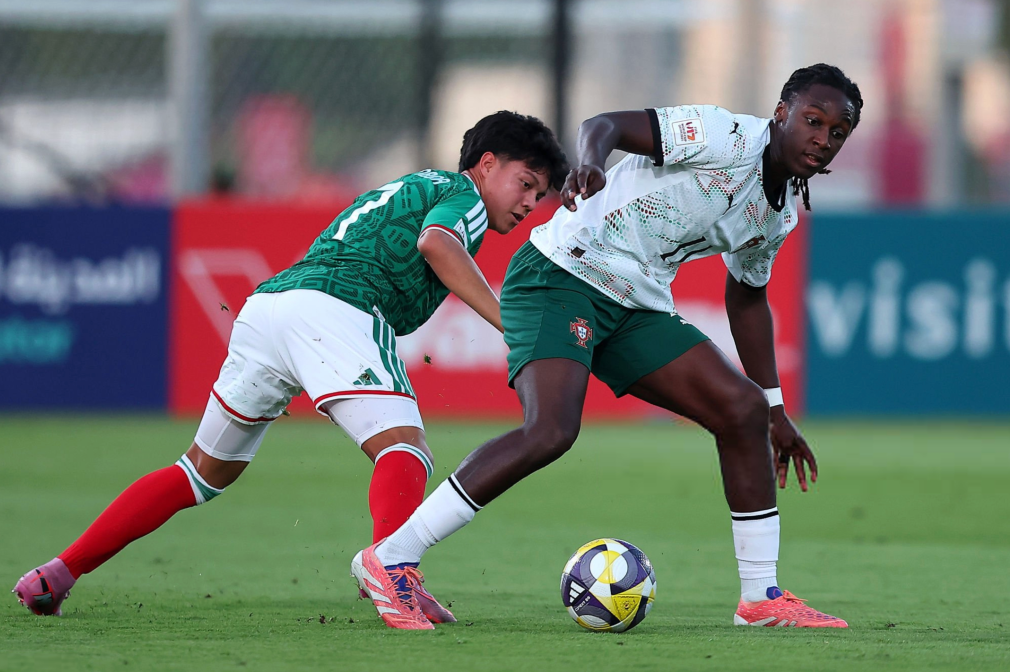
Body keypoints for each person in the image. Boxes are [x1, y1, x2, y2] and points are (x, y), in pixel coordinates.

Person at [353, 64, 863, 629]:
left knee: (741, 411)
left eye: (837, 132)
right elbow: (607, 125)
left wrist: (774, 407)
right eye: (812, 121)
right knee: (550, 430)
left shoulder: (780, 211)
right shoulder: (725, 136)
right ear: (782, 114)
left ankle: (760, 599)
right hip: (562, 272)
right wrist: (591, 162)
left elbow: (746, 300)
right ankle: (393, 557)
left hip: (638, 305)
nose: (822, 138)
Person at [13, 111, 569, 629]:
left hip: (268, 309)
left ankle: (58, 573)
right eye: (526, 183)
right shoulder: (463, 194)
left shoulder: (417, 184)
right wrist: (510, 326)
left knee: (200, 473)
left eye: (540, 195)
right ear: (487, 162)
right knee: (405, 450)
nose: (530, 204)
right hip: (334, 307)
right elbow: (436, 244)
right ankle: (392, 572)